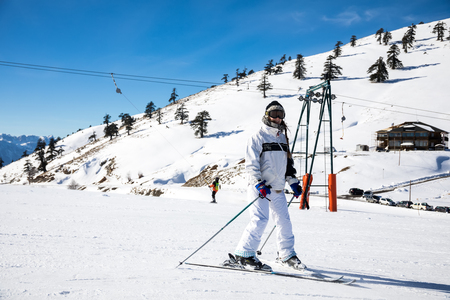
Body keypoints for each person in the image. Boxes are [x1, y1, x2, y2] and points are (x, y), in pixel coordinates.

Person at [233, 101, 304, 271]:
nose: (277, 118)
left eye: (281, 114)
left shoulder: (283, 138)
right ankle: (244, 254)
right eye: (274, 113)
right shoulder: (257, 137)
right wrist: (258, 183)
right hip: (261, 187)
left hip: (277, 188)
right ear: (267, 115)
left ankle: (286, 254)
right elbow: (251, 165)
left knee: (284, 222)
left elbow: (288, 164)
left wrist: (293, 181)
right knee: (260, 219)